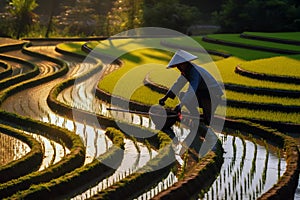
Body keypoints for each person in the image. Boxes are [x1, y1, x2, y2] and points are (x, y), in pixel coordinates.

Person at [159, 49, 224, 128]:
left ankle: (206, 124)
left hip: (212, 95)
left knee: (208, 120)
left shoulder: (194, 71)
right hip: (202, 93)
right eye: (177, 66)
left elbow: (192, 90)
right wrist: (165, 98)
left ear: (185, 63)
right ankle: (195, 116)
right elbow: (178, 84)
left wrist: (180, 105)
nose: (179, 68)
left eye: (179, 65)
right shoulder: (187, 71)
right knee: (182, 95)